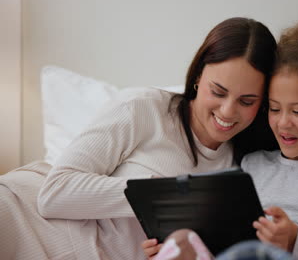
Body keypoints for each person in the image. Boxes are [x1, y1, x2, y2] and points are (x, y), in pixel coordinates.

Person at [35, 17, 277, 259]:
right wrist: (155, 194)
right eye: (217, 92)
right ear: (198, 76)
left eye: (247, 101)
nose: (227, 111)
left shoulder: (245, 168)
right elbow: (54, 192)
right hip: (37, 229)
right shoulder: (143, 108)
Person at [143, 18, 298, 260]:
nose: (283, 123)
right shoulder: (252, 164)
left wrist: (294, 239)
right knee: (182, 240)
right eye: (274, 109)